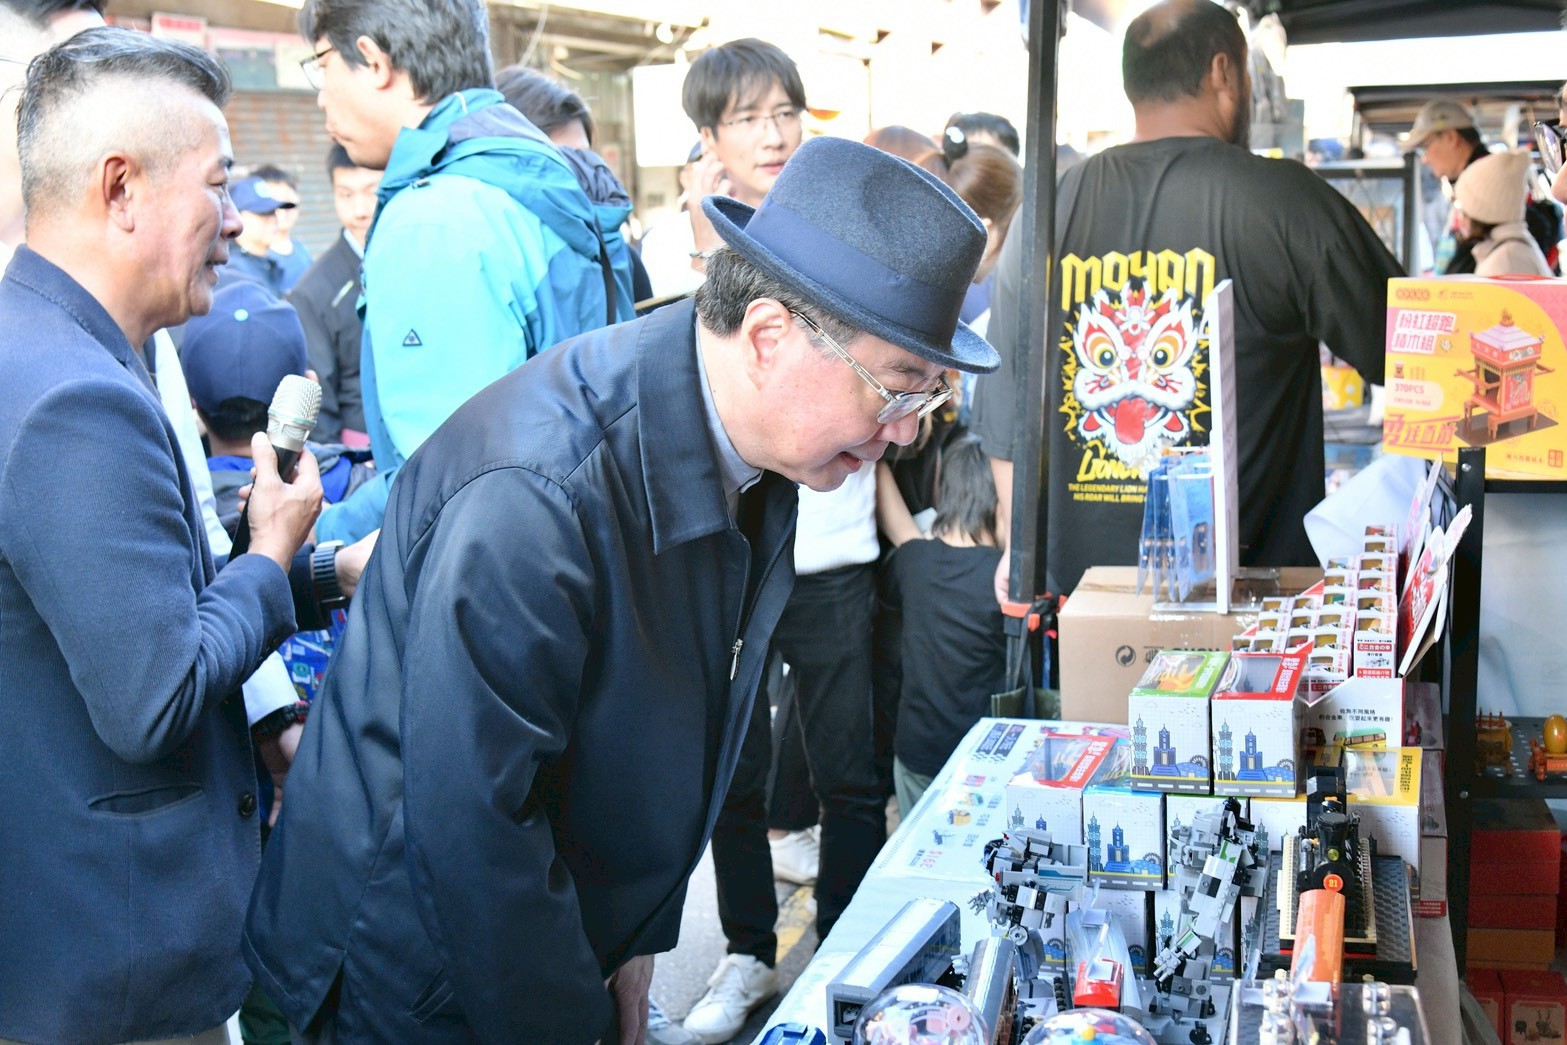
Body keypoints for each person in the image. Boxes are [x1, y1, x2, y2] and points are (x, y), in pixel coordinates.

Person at [243, 135, 999, 1044]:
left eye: (925, 399)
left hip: (541, 939)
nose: (904, 432)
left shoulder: (759, 449)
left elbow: (676, 727)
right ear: (768, 337)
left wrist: (634, 936)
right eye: (896, 389)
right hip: (407, 979)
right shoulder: (538, 492)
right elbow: (473, 832)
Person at [0, 27, 324, 1045]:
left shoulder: (49, 345)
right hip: (110, 965)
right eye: (217, 187)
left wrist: (308, 568)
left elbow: (124, 587)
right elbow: (157, 694)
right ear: (121, 189)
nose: (233, 222)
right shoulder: (76, 398)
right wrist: (268, 558)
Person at [970, 0, 1404, 599]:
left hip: (1087, 607)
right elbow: (1415, 358)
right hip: (1249, 614)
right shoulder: (1284, 202)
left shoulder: (1048, 208)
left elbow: (1006, 413)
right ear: (1224, 72)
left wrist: (1022, 556)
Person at [302, 0, 629, 546]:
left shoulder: (433, 219)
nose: (320, 95)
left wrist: (317, 534)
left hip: (503, 565)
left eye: (321, 64)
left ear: (373, 61)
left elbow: (448, 479)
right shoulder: (524, 164)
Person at [880, 435, 1008, 814]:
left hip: (916, 752)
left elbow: (900, 527)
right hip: (982, 758)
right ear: (999, 505)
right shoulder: (1003, 580)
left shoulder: (913, 561)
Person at [493, 64, 649, 313]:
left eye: (584, 158)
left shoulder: (622, 262)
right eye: (559, 161)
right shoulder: (490, 264)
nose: (578, 174)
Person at [1406, 97, 1561, 274]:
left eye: (1425, 146)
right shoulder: (1470, 186)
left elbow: (1534, 226)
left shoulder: (1493, 183)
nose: (1425, 159)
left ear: (1450, 137)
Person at [289, 144, 378, 444]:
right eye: (346, 194)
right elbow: (321, 398)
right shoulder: (313, 291)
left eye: (372, 191)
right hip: (362, 445)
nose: (360, 210)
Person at [1453, 150, 1553, 278]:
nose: (1460, 219)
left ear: (1482, 212)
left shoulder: (1505, 262)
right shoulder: (1510, 252)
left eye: (1463, 210)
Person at [221, 174, 297, 297]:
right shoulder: (233, 271)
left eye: (273, 212)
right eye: (263, 213)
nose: (272, 219)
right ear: (237, 217)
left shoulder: (269, 262)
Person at [252, 163, 313, 291]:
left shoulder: (302, 251)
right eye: (275, 202)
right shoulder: (256, 261)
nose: (283, 210)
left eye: (287, 201)